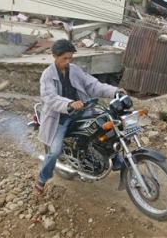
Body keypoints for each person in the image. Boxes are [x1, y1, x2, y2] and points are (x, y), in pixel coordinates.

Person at [34, 39, 123, 195]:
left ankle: (114, 159)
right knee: (54, 152)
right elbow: (49, 97)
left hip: (81, 111)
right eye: (64, 59)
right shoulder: (47, 75)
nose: (68, 62)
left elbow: (93, 85)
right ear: (55, 56)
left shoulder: (74, 70)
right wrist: (69, 104)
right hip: (59, 118)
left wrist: (115, 91)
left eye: (70, 58)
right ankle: (41, 180)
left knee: (107, 124)